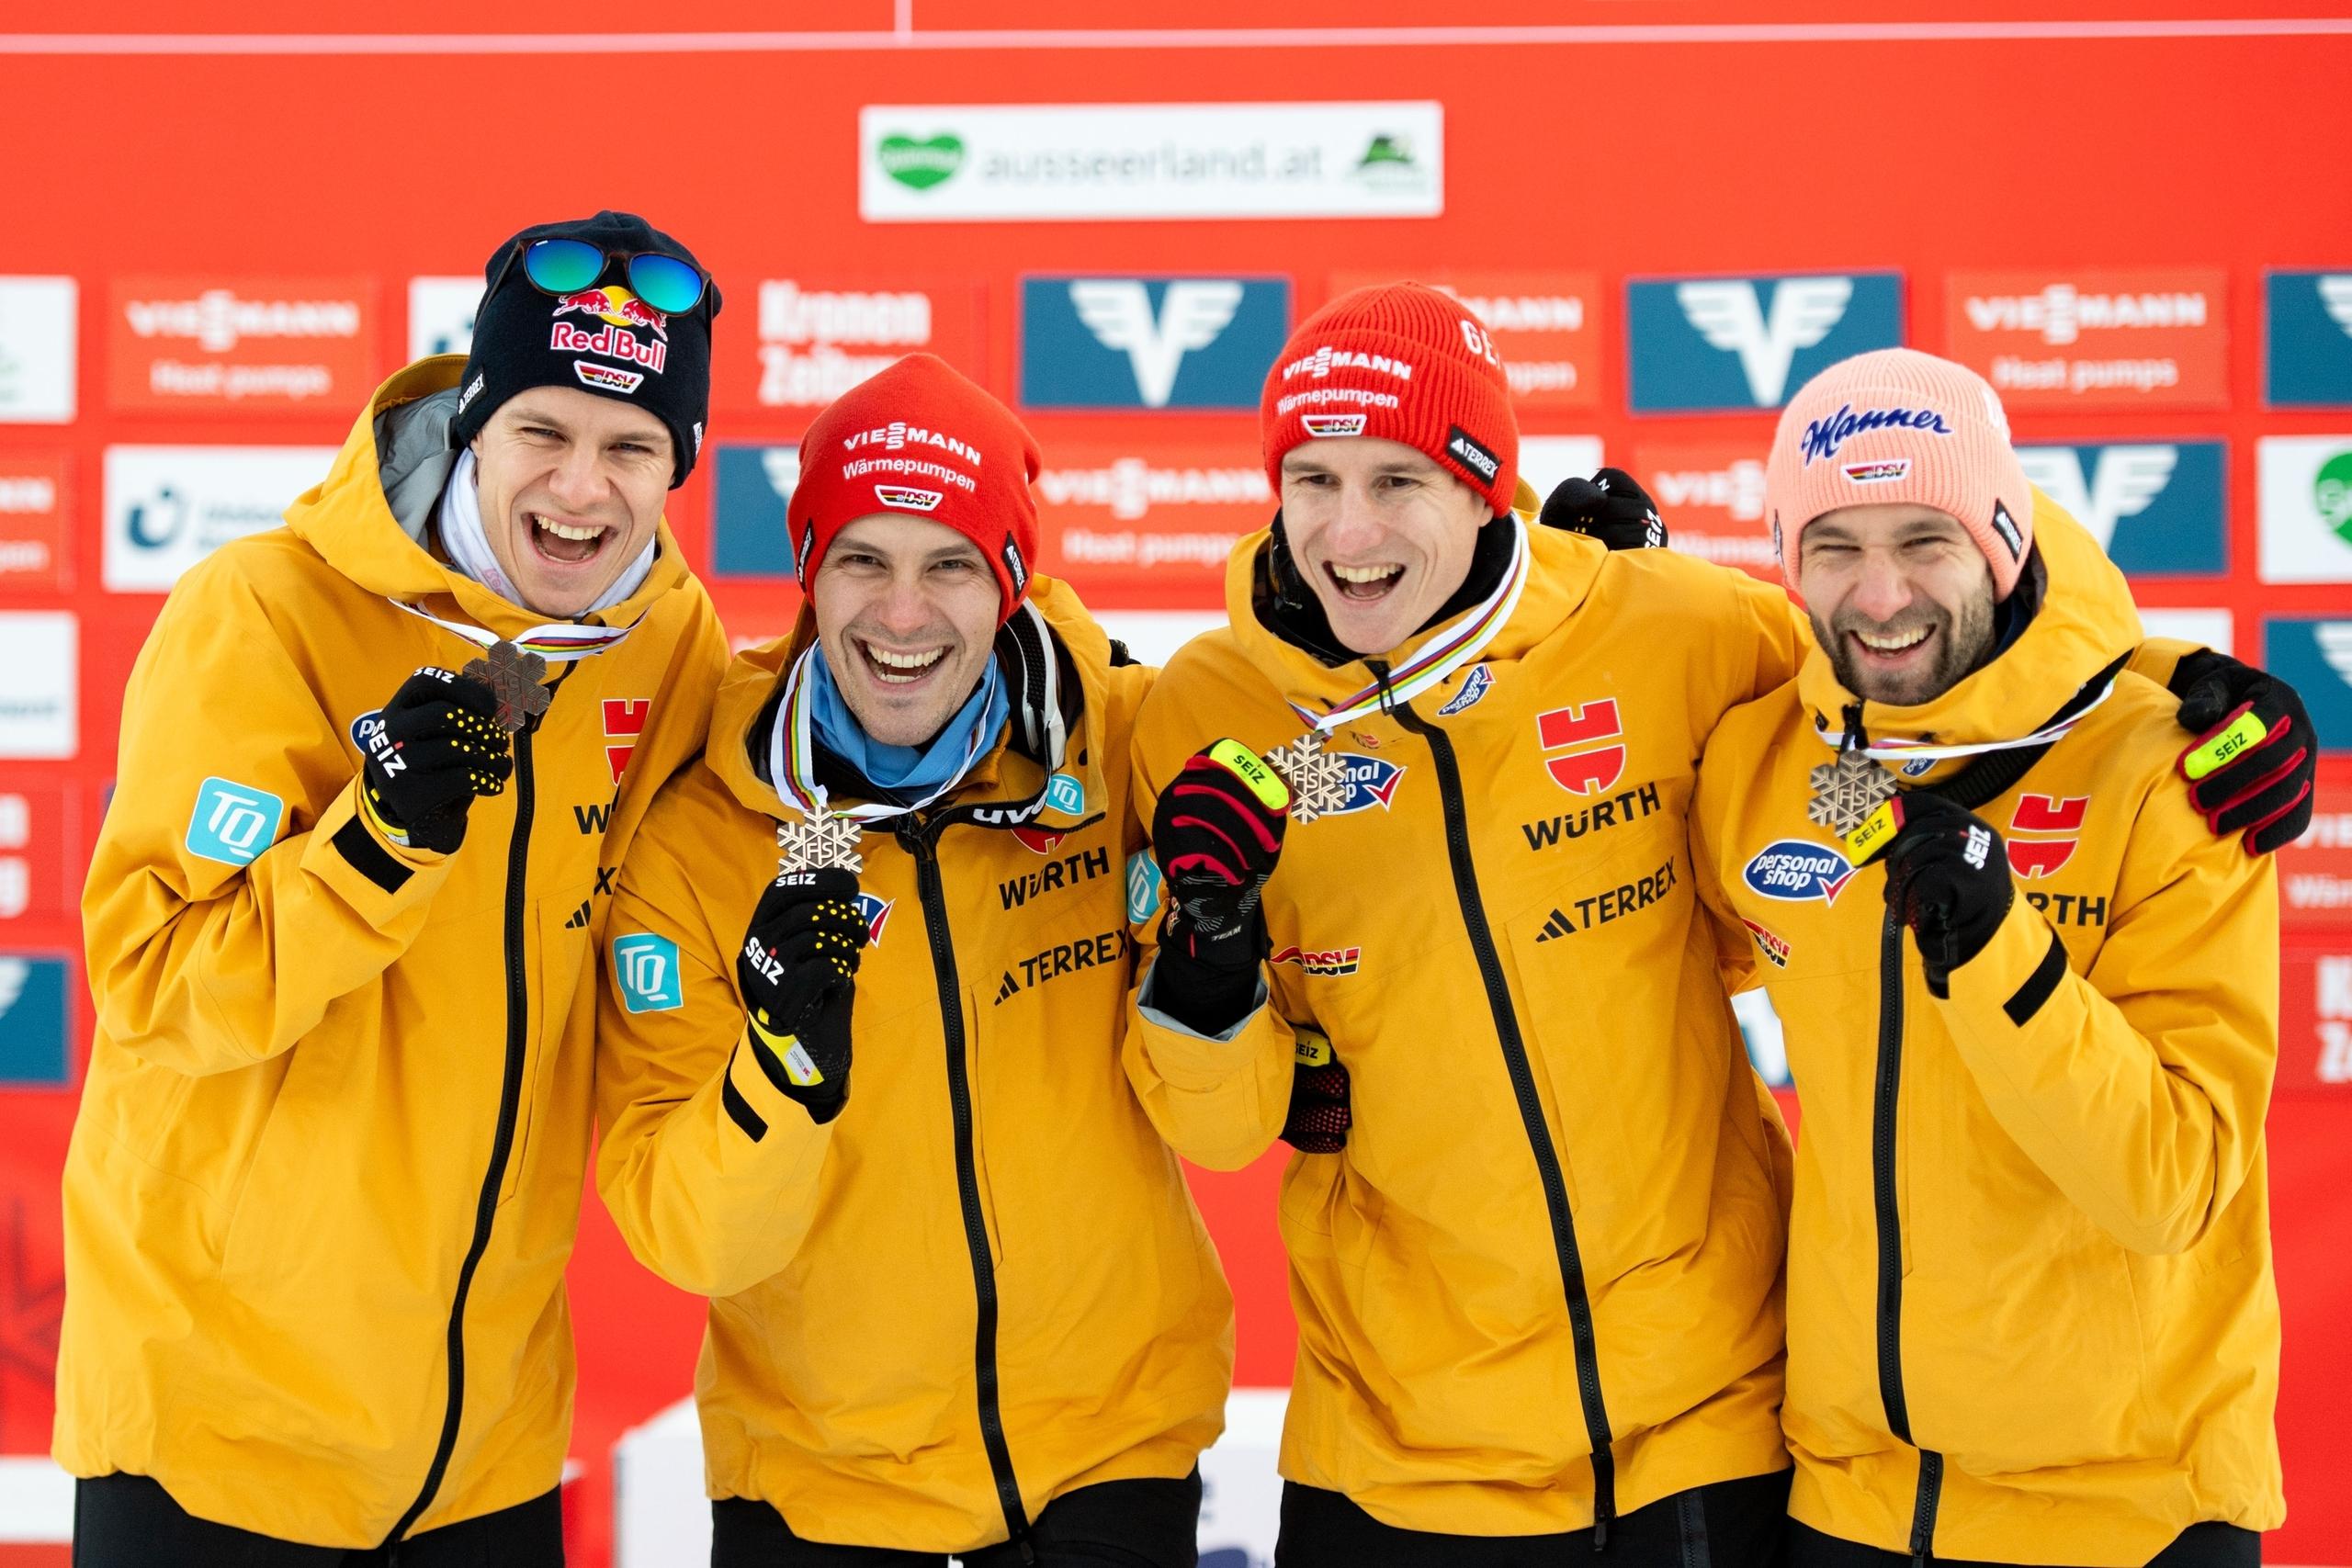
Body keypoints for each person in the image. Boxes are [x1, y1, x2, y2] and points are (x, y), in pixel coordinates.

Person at [1118, 284, 2312, 1567]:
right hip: (1403, 1451)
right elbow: (1217, 1122)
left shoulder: (1672, 633)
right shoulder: (1202, 719)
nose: (1349, 529)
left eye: (1400, 477)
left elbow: (1940, 670)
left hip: (1707, 1430)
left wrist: (2175, 684)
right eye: (1311, 478)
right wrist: (1211, 948)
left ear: (1484, 486)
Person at [60, 211, 730, 1562]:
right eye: (544, 431)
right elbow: (156, 990)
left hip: (481, 1452)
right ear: (474, 422)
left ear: (678, 469)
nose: (583, 489)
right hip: (216, 1434)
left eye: (631, 447)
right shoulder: (264, 612)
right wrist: (371, 847)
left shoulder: (670, 638)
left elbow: (831, 731)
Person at [594, 354, 1229, 1567]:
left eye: (947, 564)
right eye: (863, 563)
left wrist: (1218, 956)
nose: (901, 615)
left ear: (1011, 582)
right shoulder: (704, 838)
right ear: (808, 578)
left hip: (1111, 1475)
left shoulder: (1124, 749)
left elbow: (1231, 1115)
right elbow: (691, 1240)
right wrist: (779, 1072)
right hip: (816, 1500)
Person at [1690, 348, 2284, 1567]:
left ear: (2007, 543)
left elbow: (2172, 1182)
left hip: (2127, 1514)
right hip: (1853, 1501)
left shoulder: (2169, 774)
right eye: (1836, 545)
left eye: (1926, 537)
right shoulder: (1759, 767)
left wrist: (2001, 959)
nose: (1881, 592)